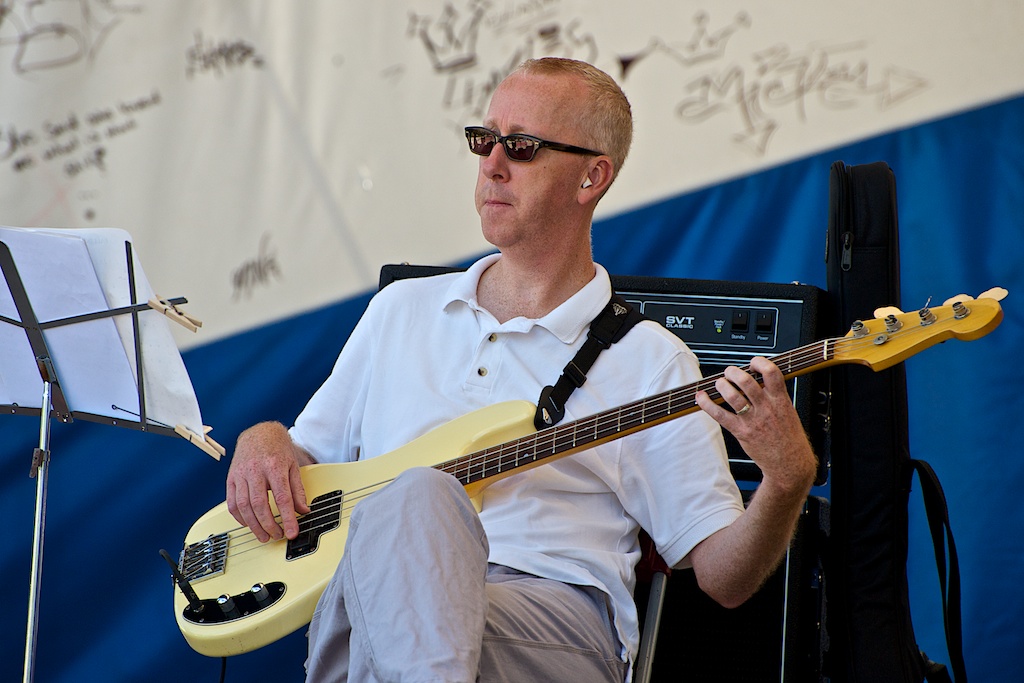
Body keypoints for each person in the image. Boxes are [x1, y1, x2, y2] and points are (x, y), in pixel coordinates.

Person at [226, 57, 817, 682]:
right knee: (411, 506)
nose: (492, 164)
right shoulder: (401, 310)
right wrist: (262, 439)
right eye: (485, 141)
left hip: (547, 618)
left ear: (592, 176)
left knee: (422, 494)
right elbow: (302, 454)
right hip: (377, 600)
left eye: (523, 147)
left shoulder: (651, 360)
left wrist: (786, 481)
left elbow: (725, 580)